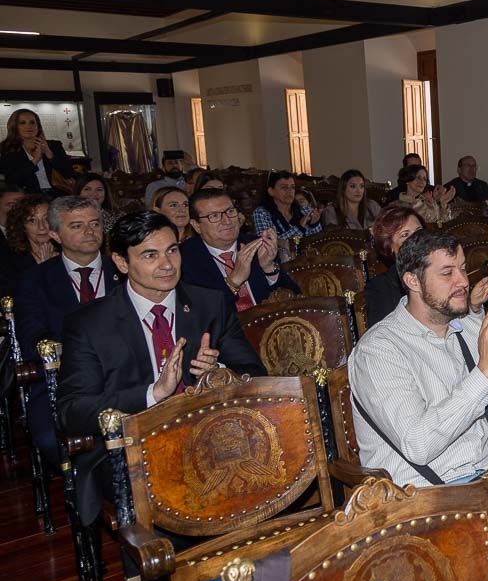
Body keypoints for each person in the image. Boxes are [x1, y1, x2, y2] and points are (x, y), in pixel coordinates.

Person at [57, 210, 267, 527]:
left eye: (172, 250)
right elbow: (72, 412)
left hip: (212, 437)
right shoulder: (88, 324)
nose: (167, 265)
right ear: (122, 262)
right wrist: (153, 394)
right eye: (150, 255)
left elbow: (256, 374)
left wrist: (219, 372)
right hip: (132, 447)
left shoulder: (210, 304)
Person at [347, 230, 488, 487]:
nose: (463, 281)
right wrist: (483, 373)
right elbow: (418, 445)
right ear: (413, 281)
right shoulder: (378, 350)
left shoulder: (471, 328)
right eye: (447, 273)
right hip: (423, 500)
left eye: (462, 268)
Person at [14, 196, 121, 468]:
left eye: (95, 223)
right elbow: (32, 341)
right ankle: (90, 499)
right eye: (76, 226)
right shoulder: (36, 280)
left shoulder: (124, 270)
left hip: (127, 378)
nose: (89, 231)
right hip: (63, 385)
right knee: (54, 441)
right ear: (54, 234)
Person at [180, 188, 299, 311]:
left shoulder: (256, 245)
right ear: (196, 225)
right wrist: (233, 282)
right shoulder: (184, 259)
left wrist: (268, 268)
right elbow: (198, 313)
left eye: (230, 211)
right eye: (214, 216)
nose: (227, 221)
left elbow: (295, 295)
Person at [363, 204, 425, 327]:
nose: (417, 239)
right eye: (405, 235)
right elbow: (382, 335)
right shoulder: (379, 288)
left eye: (419, 231)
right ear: (389, 247)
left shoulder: (442, 272)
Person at [0, 108, 75, 195]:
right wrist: (35, 160)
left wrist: (49, 154)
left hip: (58, 192)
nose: (28, 126)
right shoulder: (8, 149)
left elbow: (69, 173)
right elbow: (12, 180)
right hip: (29, 196)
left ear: (38, 125)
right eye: (22, 123)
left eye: (32, 122)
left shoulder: (54, 145)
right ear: (14, 127)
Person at [251, 170, 322, 260]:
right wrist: (299, 228)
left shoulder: (302, 209)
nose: (290, 191)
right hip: (279, 265)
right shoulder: (262, 213)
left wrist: (314, 224)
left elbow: (318, 241)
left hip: (306, 262)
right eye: (284, 188)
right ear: (271, 191)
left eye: (292, 187)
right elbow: (269, 246)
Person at [5, 194, 57, 278]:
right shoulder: (9, 259)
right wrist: (44, 269)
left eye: (46, 219)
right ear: (22, 226)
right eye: (32, 220)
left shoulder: (68, 252)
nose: (41, 227)